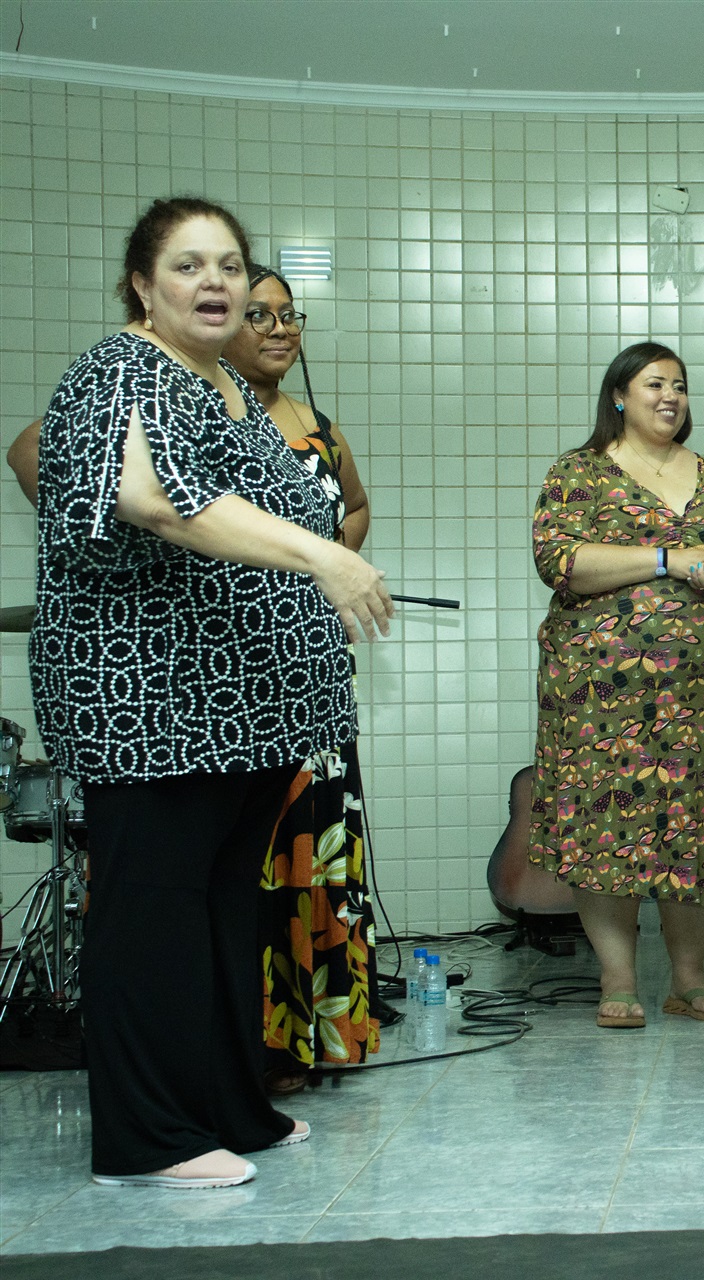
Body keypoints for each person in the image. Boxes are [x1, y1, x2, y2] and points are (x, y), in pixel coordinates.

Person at [32, 196, 391, 1188]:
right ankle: (147, 1137)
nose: (216, 282)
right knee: (152, 910)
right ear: (142, 285)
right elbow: (150, 501)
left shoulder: (226, 382)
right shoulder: (121, 368)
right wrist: (325, 557)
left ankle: (231, 1104)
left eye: (229, 264)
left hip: (246, 713)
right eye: (188, 265)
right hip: (154, 702)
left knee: (225, 908)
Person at [530, 342, 704, 1029]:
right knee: (606, 823)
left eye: (679, 385)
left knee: (695, 823)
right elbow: (559, 560)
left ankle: (689, 976)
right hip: (599, 694)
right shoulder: (579, 472)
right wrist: (667, 558)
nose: (670, 396)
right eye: (654, 384)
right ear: (619, 396)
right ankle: (618, 978)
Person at [226, 266, 380, 1092]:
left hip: (315, 669)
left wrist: (330, 560)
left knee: (313, 843)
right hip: (234, 672)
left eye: (290, 315)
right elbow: (32, 448)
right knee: (251, 853)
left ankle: (312, 1035)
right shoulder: (198, 405)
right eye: (259, 315)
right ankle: (249, 1043)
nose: (280, 329)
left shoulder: (320, 427)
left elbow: (354, 505)